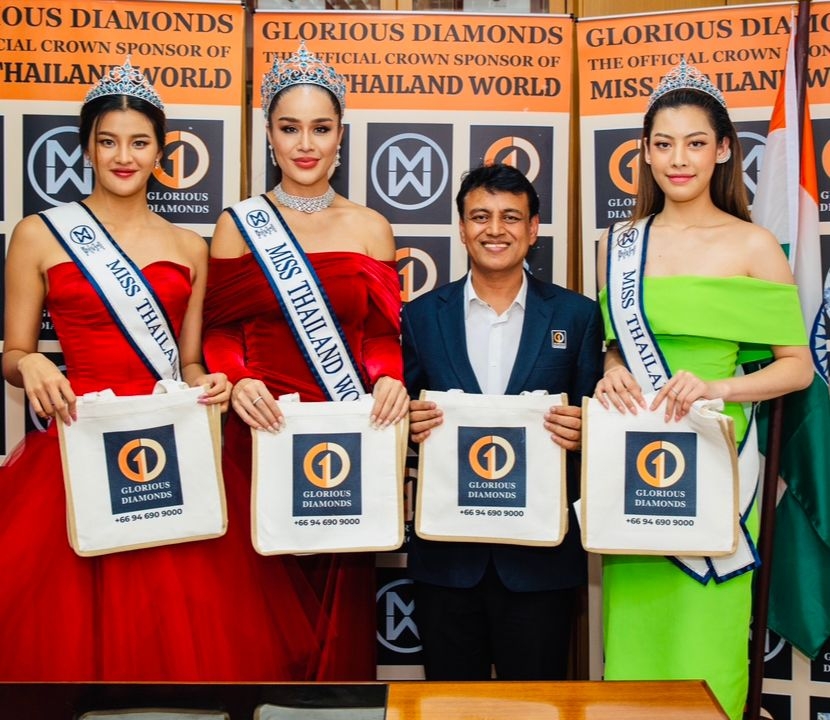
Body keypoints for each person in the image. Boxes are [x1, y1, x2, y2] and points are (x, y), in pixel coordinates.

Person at [0, 58, 304, 680]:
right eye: (108, 141)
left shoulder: (190, 246)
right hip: (77, 446)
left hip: (168, 451)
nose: (123, 156)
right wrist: (29, 362)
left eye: (139, 142)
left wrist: (208, 382)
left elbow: (188, 361)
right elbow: (13, 352)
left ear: (160, 152)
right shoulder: (39, 234)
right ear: (87, 147)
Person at [593, 60, 813, 719]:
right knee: (634, 647)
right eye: (663, 144)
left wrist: (716, 385)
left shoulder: (755, 246)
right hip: (635, 465)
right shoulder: (620, 243)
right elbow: (615, 339)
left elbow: (796, 368)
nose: (678, 159)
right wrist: (611, 365)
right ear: (645, 152)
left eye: (694, 143)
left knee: (707, 639)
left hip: (719, 461)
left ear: (722, 151)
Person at [202, 43, 409, 680]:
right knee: (260, 604)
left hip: (344, 440)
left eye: (320, 128)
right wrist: (238, 380)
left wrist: (391, 379)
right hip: (261, 436)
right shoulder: (239, 225)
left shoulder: (371, 227)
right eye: (290, 128)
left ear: (341, 135)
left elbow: (380, 337)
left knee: (336, 610)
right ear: (269, 134)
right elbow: (218, 332)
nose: (305, 144)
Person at [403, 163, 604, 680]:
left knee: (537, 709)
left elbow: (600, 423)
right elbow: (395, 419)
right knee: (448, 708)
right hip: (447, 563)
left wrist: (587, 433)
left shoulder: (577, 316)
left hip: (539, 564)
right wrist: (408, 426)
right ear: (461, 228)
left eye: (511, 217)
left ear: (533, 229)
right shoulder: (420, 317)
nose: (495, 229)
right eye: (480, 216)